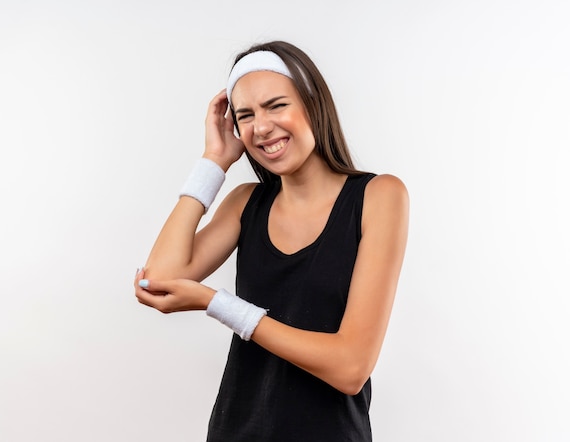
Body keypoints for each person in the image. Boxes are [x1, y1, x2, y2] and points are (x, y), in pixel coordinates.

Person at [134, 40, 409, 441]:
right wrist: (213, 162)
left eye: (276, 105)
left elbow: (351, 368)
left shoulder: (378, 196)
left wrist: (218, 303)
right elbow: (157, 278)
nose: (261, 127)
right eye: (245, 115)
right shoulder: (246, 203)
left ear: (313, 104)